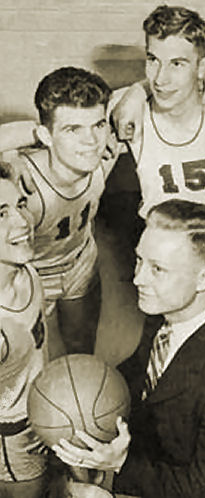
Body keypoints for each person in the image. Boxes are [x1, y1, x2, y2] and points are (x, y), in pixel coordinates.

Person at [52, 199, 205, 498]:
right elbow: (143, 370)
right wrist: (85, 401)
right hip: (162, 456)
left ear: (204, 278)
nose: (137, 278)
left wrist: (121, 464)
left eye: (158, 269)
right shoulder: (169, 305)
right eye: (140, 260)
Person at [111, 5, 205, 314]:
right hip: (166, 264)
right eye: (153, 61)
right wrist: (138, 91)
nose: (161, 78)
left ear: (202, 66)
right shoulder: (131, 112)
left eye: (177, 63)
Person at [10, 66, 120, 359]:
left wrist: (135, 94)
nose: (91, 141)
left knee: (81, 352)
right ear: (45, 136)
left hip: (79, 261)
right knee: (24, 363)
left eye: (97, 125)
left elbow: (163, 89)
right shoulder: (21, 187)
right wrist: (23, 137)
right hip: (32, 274)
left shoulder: (104, 155)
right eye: (73, 129)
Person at [0, 161, 48, 498]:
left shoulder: (27, 267)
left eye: (19, 205)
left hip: (41, 411)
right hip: (13, 435)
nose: (22, 222)